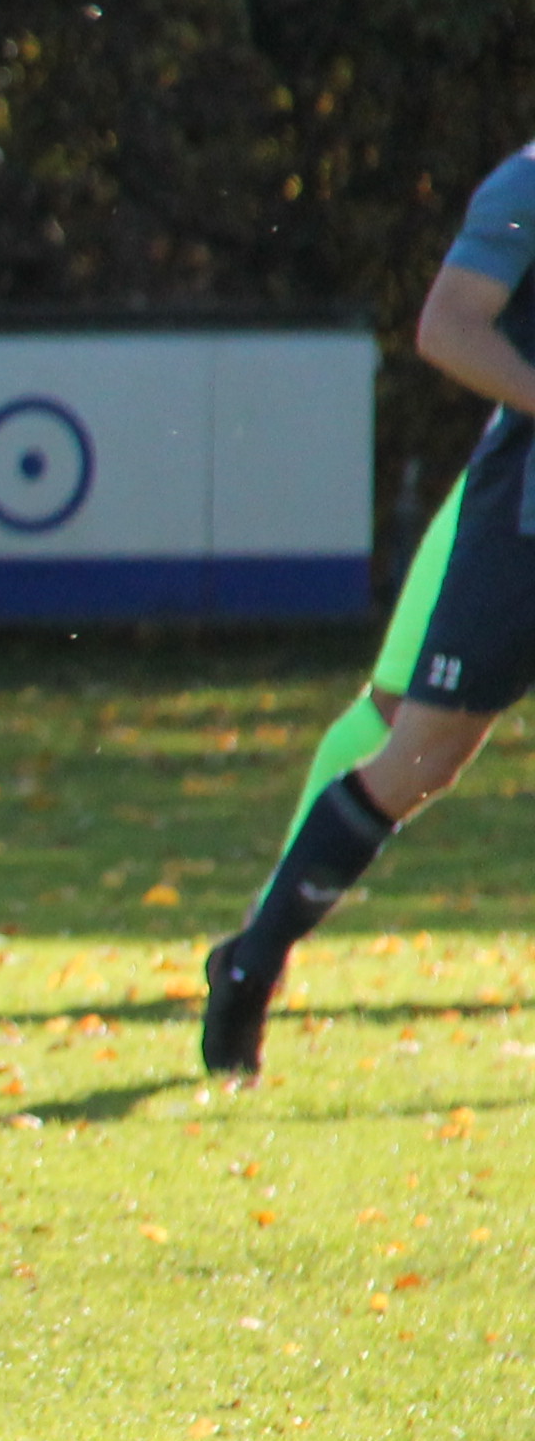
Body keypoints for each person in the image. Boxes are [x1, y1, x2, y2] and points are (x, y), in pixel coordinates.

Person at [202, 134, 535, 1077]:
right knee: (421, 754)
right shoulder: (528, 182)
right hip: (523, 521)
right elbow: (449, 327)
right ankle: (253, 964)